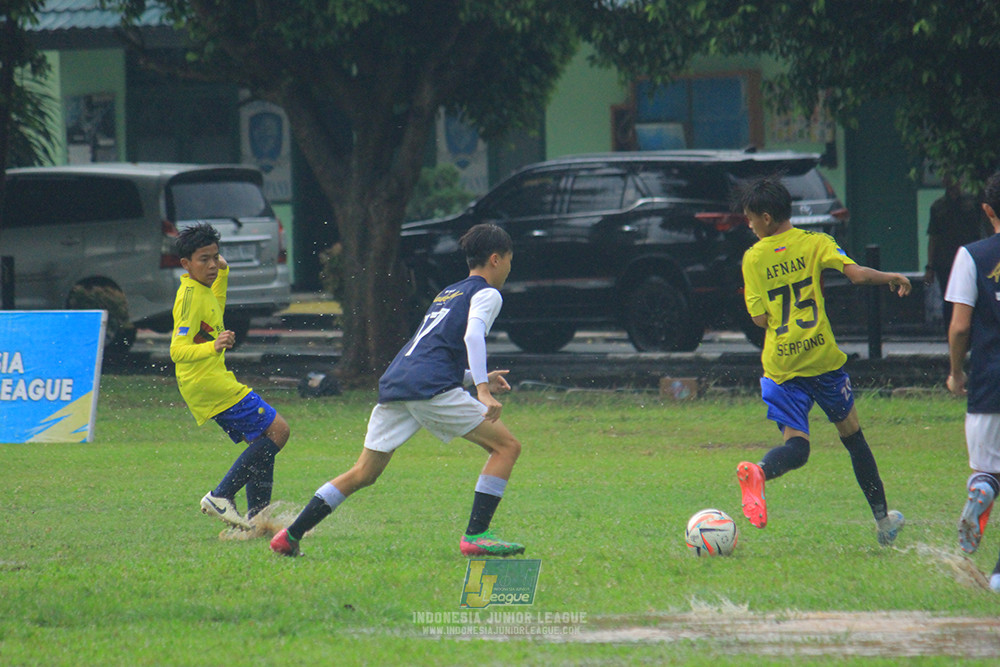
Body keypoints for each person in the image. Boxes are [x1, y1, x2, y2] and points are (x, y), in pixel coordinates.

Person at [270, 223, 524, 557]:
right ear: (495, 259)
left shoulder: (450, 291)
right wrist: (482, 390)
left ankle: (290, 535)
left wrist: (475, 376)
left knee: (363, 473)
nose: (509, 267)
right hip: (428, 388)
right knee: (506, 447)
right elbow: (473, 336)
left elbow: (431, 351)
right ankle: (476, 535)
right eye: (509, 259)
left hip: (399, 381)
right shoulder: (488, 293)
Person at [735, 176, 911, 546]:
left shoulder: (753, 258)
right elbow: (857, 275)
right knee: (853, 438)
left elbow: (759, 319)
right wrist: (890, 276)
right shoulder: (816, 243)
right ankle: (883, 522)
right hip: (821, 359)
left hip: (781, 367)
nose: (749, 227)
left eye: (750, 219)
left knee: (797, 447)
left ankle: (762, 471)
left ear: (766, 218)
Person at [171, 222, 290, 530]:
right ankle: (220, 495)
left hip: (210, 380)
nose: (211, 264)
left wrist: (223, 273)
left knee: (265, 438)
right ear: (186, 264)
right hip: (207, 383)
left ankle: (258, 520)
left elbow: (217, 306)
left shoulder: (202, 289)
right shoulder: (189, 298)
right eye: (204, 259)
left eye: (215, 257)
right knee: (279, 431)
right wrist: (214, 345)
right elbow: (177, 349)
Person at [945, 171, 1000, 593]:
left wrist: (956, 371)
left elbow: (960, 327)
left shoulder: (972, 255)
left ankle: (983, 488)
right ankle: (999, 577)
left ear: (987, 210)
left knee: (987, 469)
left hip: (987, 384)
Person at [924, 177, 984, 328]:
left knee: (973, 299)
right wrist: (930, 267)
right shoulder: (938, 207)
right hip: (946, 261)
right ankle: (951, 337)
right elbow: (933, 238)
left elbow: (983, 229)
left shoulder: (972, 203)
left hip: (971, 259)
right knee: (949, 301)